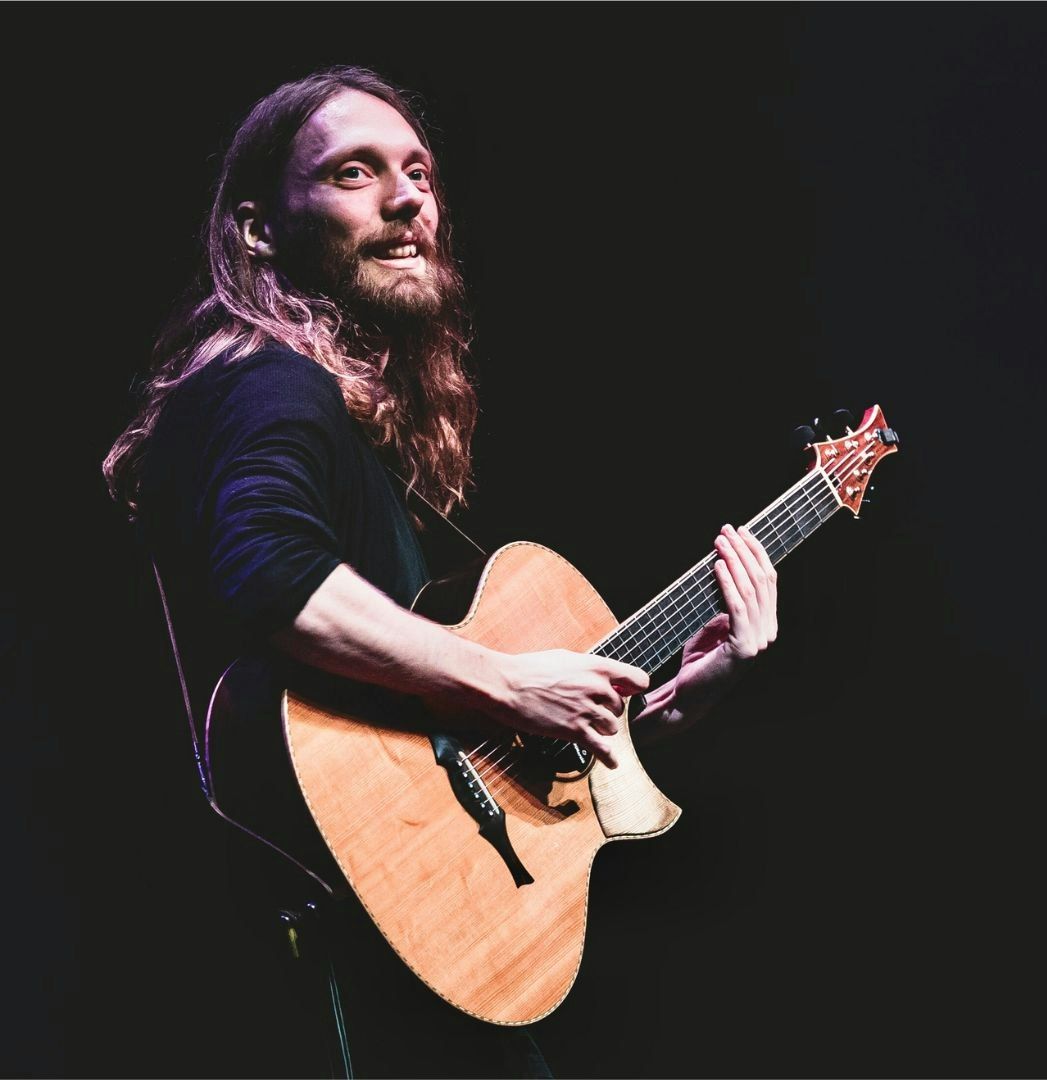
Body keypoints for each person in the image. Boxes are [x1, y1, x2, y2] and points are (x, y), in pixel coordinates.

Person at [103, 65, 779, 1079]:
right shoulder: (266, 382)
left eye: (418, 172)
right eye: (354, 173)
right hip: (335, 979)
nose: (406, 197)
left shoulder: (334, 422)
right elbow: (271, 574)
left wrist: (662, 707)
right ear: (258, 230)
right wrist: (507, 681)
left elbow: (438, 740)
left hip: (417, 943)